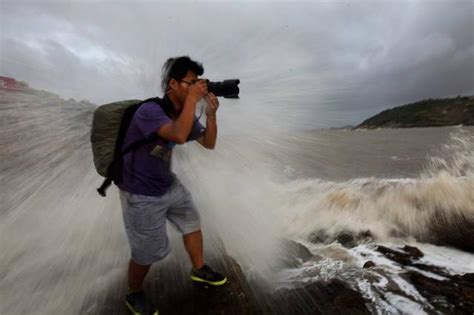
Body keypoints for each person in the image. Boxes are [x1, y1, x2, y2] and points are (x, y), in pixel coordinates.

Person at [118, 56, 227, 315]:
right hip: (140, 192)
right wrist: (193, 101)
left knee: (191, 220)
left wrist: (210, 115)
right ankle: (134, 293)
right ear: (173, 84)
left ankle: (199, 269)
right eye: (192, 83)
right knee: (148, 253)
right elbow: (178, 135)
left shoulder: (183, 114)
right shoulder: (150, 112)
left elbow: (208, 143)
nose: (197, 88)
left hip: (167, 184)